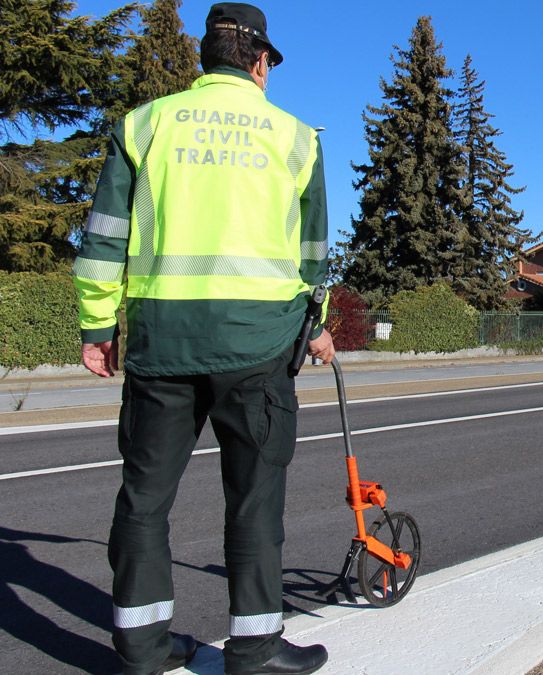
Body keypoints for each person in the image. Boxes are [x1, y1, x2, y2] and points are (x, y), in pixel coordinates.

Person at [73, 4, 333, 674]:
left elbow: (102, 238)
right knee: (253, 500)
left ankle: (140, 648)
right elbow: (313, 255)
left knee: (144, 499)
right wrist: (319, 324)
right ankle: (254, 647)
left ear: (204, 58)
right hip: (259, 344)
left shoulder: (145, 125)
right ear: (258, 60)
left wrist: (97, 325)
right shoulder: (297, 138)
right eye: (269, 64)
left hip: (163, 342)